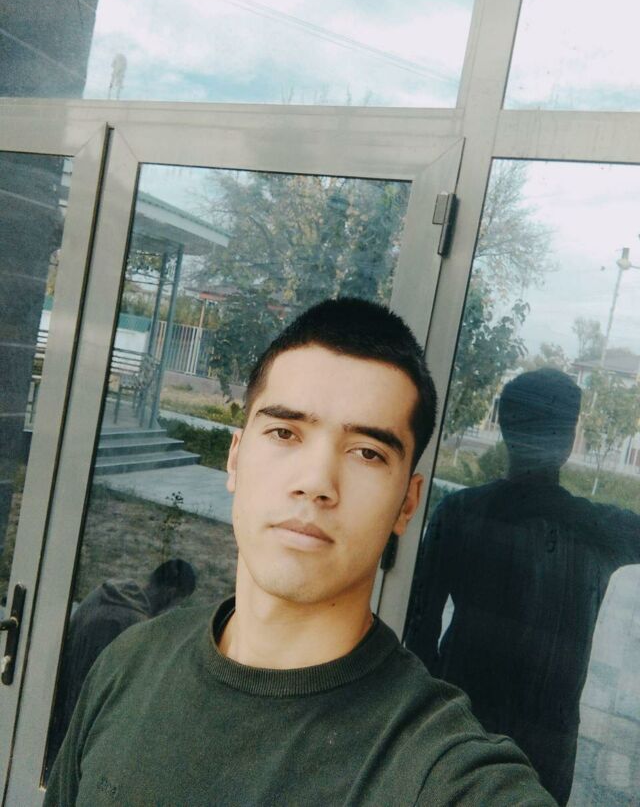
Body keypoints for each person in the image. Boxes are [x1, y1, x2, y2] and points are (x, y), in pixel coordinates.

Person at [46, 299, 556, 806]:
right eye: (284, 432)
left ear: (407, 503)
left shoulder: (435, 767)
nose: (316, 482)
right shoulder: (130, 663)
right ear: (235, 458)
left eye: (367, 452)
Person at [405, 368, 640, 805]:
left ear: (505, 429)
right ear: (568, 440)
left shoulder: (460, 513)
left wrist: (433, 716)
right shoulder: (596, 529)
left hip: (463, 722)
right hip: (543, 744)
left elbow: (418, 630)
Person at [47, 558, 197, 766]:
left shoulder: (106, 592)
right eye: (177, 603)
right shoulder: (134, 626)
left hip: (52, 711)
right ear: (171, 594)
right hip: (71, 734)